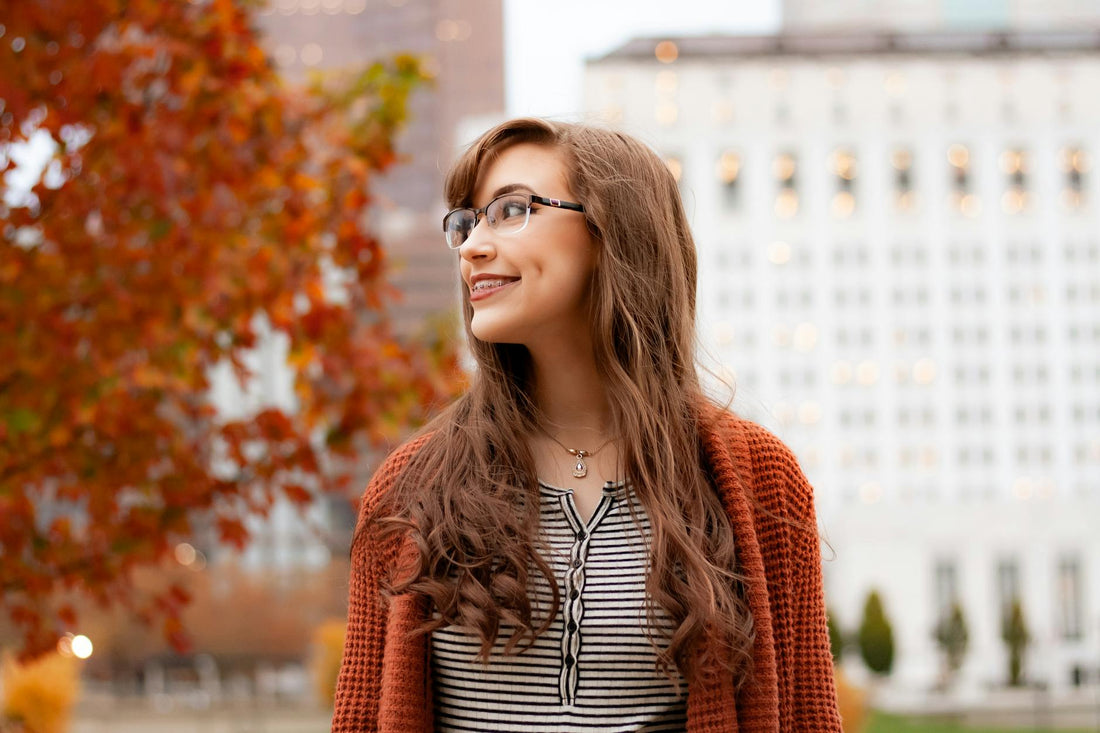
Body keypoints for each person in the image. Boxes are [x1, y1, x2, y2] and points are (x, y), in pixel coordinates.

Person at [331, 118, 841, 732]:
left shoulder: (759, 479)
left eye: (511, 210)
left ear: (612, 234)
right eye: (467, 223)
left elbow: (809, 717)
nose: (471, 247)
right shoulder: (410, 484)